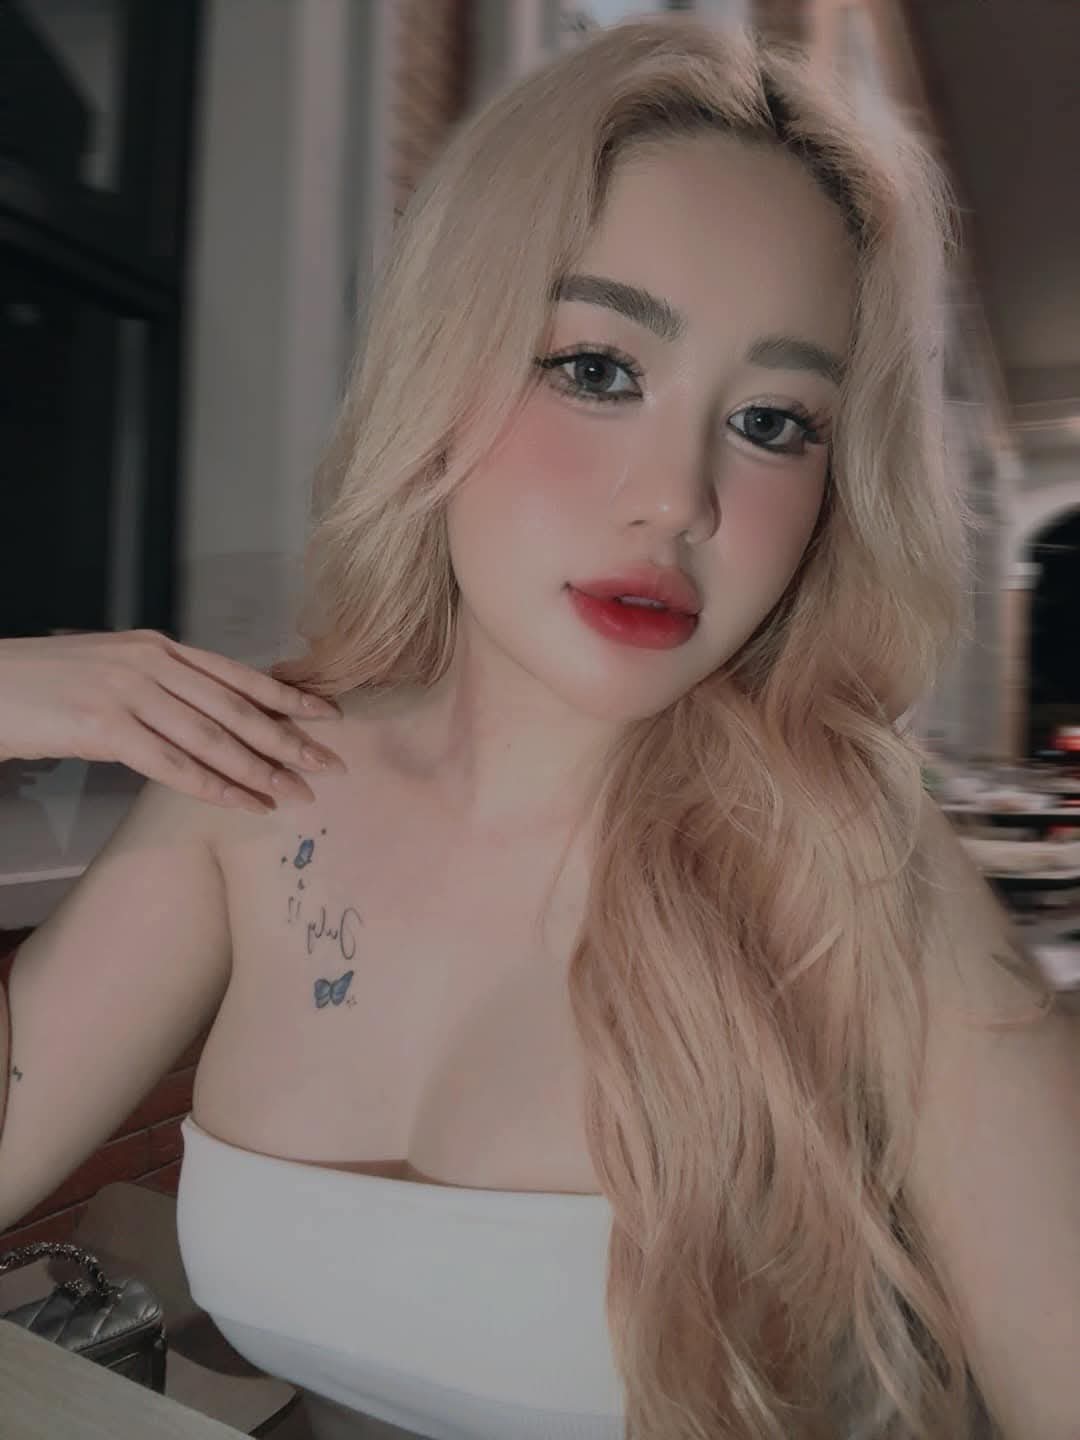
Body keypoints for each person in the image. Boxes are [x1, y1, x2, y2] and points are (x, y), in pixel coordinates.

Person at [1, 14, 1077, 1439]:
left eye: (773, 422)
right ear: (441, 367)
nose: (677, 500)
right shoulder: (252, 786)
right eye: (598, 369)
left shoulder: (856, 871)